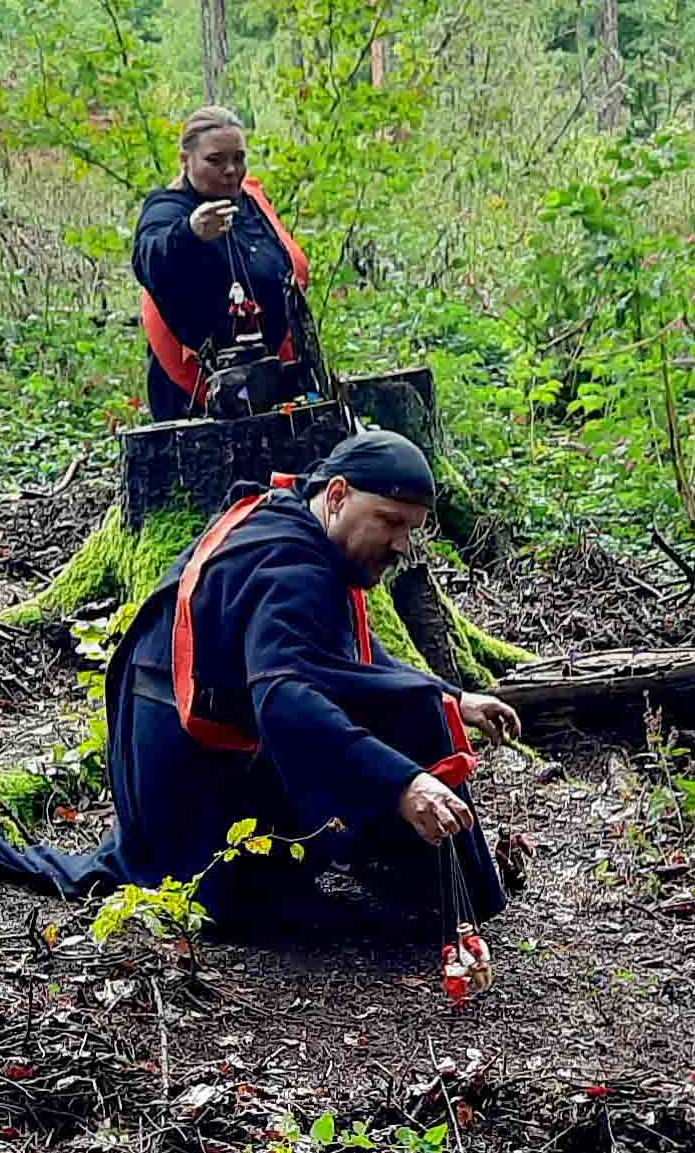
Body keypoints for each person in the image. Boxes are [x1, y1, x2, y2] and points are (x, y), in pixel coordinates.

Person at [104, 427, 525, 939]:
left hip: (170, 780)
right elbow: (285, 700)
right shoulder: (292, 568)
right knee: (403, 721)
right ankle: (417, 899)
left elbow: (338, 659)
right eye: (390, 521)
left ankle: (436, 892)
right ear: (338, 495)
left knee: (418, 703)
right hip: (185, 815)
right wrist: (403, 784)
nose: (402, 546)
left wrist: (454, 697)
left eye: (411, 529)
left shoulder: (290, 525)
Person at [132, 109, 316, 420]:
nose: (231, 170)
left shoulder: (251, 203)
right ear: (186, 160)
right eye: (215, 160)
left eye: (238, 158)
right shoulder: (167, 208)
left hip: (269, 377)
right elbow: (148, 256)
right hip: (195, 394)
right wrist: (190, 232)